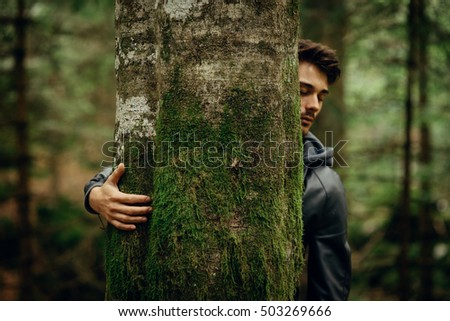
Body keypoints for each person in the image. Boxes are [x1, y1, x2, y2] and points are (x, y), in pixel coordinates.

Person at [83, 39, 351, 300]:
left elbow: (330, 291)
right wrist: (96, 196)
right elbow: (128, 167)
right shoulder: (209, 139)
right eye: (303, 91)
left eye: (321, 96)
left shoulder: (323, 184)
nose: (314, 105)